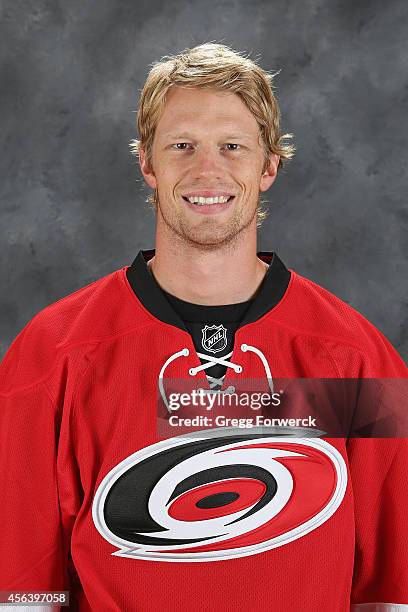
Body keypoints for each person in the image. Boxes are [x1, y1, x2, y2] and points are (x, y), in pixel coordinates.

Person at [0, 42, 407, 612]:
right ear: (148, 162)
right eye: (182, 145)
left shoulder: (357, 359)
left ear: (268, 166)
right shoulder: (53, 354)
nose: (206, 169)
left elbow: (391, 592)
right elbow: (22, 595)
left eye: (232, 146)